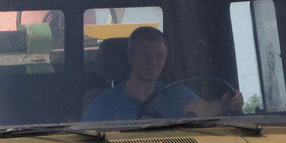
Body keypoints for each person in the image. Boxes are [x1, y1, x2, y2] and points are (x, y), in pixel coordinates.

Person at [82, 26, 243, 122]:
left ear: (165, 59)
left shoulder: (176, 93)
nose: (153, 62)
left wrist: (227, 103)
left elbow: (204, 110)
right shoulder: (103, 105)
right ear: (130, 57)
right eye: (145, 55)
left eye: (159, 55)